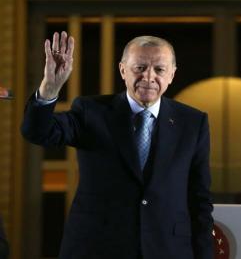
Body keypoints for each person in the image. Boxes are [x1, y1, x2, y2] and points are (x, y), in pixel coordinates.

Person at [21, 32, 213, 258]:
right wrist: (49, 89)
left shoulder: (192, 123)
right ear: (123, 70)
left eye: (159, 70)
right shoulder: (90, 111)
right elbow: (37, 133)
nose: (149, 77)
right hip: (98, 248)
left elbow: (200, 200)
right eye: (139, 68)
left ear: (172, 74)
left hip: (167, 249)